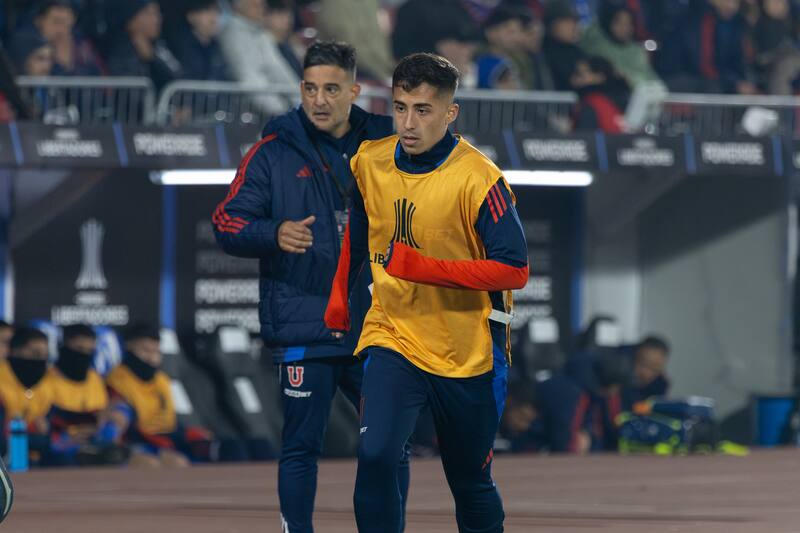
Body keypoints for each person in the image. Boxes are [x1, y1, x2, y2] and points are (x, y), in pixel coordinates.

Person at [325, 53, 529, 533]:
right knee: (376, 455)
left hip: (468, 350)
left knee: (469, 479)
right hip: (393, 335)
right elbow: (358, 237)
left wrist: (425, 269)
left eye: (422, 110)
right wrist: (338, 300)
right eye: (400, 108)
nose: (408, 123)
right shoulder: (369, 162)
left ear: (450, 113)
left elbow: (515, 270)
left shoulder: (480, 178)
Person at [213, 41, 400, 533]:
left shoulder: (387, 144)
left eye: (332, 89)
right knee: (301, 447)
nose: (319, 100)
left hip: (376, 326)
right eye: (311, 88)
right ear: (300, 88)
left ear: (354, 91)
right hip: (306, 324)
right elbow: (227, 222)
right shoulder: (271, 152)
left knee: (387, 446)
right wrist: (272, 232)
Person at [106, 324, 192, 468]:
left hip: (161, 441)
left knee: (180, 462)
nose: (151, 358)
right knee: (150, 464)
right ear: (129, 347)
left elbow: (170, 422)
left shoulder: (162, 380)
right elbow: (125, 427)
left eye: (156, 351)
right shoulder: (116, 380)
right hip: (133, 442)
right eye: (145, 350)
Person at [47, 324, 124, 466]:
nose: (84, 355)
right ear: (63, 346)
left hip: (95, 438)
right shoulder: (46, 378)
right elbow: (47, 419)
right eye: (79, 349)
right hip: (63, 441)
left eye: (90, 351)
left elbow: (108, 408)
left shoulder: (96, 378)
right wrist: (73, 432)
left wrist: (109, 418)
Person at [218, 0, 300, 116]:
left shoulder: (261, 33)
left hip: (273, 108)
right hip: (245, 110)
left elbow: (278, 70)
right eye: (256, 5)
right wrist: (279, 109)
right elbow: (249, 77)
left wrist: (302, 101)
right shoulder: (233, 34)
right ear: (239, 6)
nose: (262, 7)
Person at [0, 327, 54, 463]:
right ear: (15, 352)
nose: (41, 360)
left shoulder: (47, 382)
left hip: (35, 459)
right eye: (35, 354)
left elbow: (49, 430)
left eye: (45, 356)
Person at [103, 0, 182, 91]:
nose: (157, 19)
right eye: (150, 14)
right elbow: (130, 93)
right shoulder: (121, 54)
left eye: (157, 13)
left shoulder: (158, 47)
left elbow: (177, 77)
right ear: (131, 20)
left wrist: (151, 59)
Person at [579, 4, 662, 89]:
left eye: (629, 23)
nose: (625, 28)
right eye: (619, 23)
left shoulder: (637, 51)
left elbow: (651, 77)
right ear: (609, 24)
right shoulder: (598, 48)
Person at [33, 0, 102, 76]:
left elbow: (98, 75)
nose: (60, 29)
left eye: (65, 23)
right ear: (40, 21)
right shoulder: (29, 48)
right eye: (56, 22)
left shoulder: (83, 46)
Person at [166, 0, 229, 81]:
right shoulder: (180, 47)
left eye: (216, 11)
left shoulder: (217, 46)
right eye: (207, 11)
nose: (213, 18)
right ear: (191, 16)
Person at [571, 55, 630, 133]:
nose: (573, 78)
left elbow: (584, 134)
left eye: (580, 74)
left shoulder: (591, 103)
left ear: (599, 76)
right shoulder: (624, 97)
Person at [622, 335, 671, 409]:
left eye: (655, 369)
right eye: (643, 364)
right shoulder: (614, 379)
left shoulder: (660, 386)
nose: (647, 374)